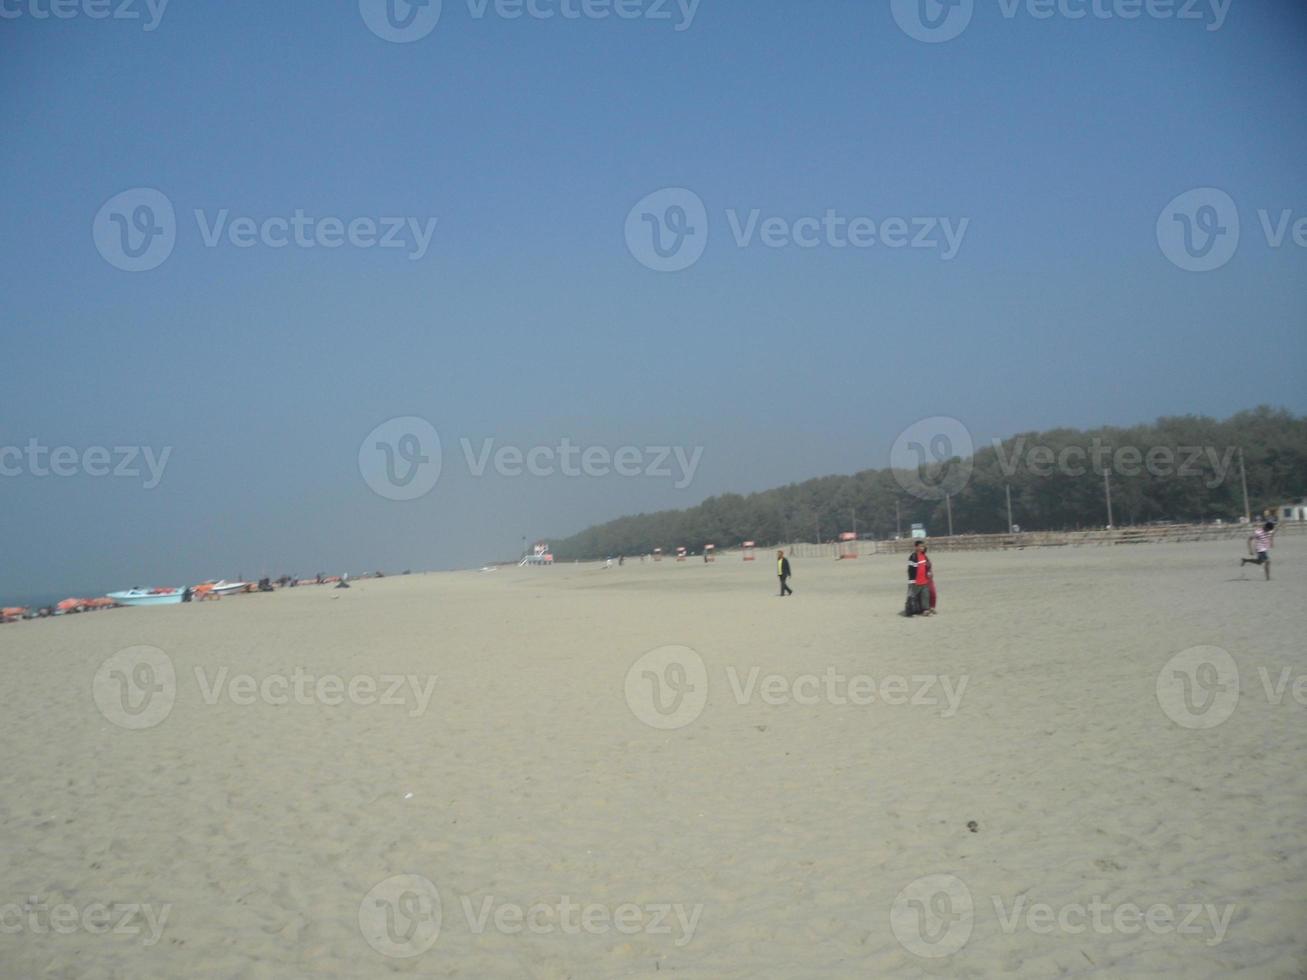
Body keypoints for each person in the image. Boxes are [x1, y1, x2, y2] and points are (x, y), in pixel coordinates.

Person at [907, 540, 931, 616]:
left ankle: (925, 610)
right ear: (916, 547)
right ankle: (910, 611)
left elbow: (927, 565)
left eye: (923, 546)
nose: (922, 548)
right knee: (912, 596)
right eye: (920, 546)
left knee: (925, 596)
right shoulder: (913, 557)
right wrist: (912, 581)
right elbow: (910, 570)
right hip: (915, 581)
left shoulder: (924, 556)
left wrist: (928, 572)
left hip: (924, 580)